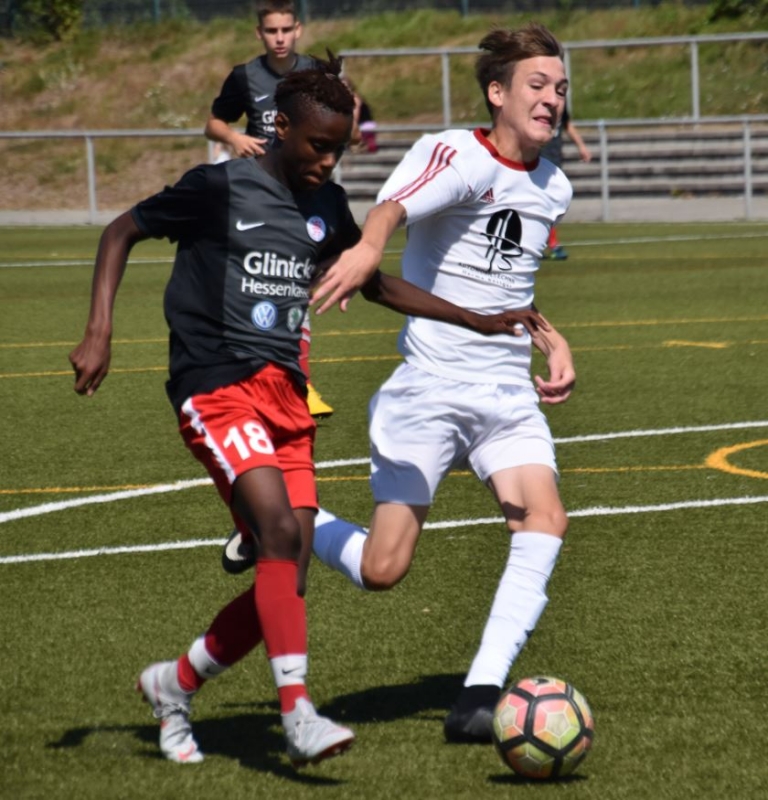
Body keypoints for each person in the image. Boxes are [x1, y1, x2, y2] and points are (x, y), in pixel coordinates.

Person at [69, 53, 549, 767]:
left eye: (340, 149)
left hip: (286, 395)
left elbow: (376, 283)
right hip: (215, 382)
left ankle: (175, 684)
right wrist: (99, 329)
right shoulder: (218, 187)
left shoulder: (326, 206)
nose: (329, 161)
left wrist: (477, 320)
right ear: (281, 128)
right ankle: (298, 712)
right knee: (274, 532)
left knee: (285, 573)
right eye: (319, 146)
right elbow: (121, 231)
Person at [307, 22, 577, 745]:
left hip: (505, 392)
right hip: (430, 386)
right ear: (497, 93)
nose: (552, 99)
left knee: (544, 520)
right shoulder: (457, 153)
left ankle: (480, 695)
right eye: (537, 85)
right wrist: (367, 250)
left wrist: (553, 342)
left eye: (559, 87)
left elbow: (513, 287)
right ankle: (287, 522)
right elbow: (391, 209)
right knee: (382, 568)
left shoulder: (554, 186)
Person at [204, 0, 333, 418]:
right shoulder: (244, 76)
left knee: (297, 284)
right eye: (271, 31)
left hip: (305, 195)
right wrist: (234, 139)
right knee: (264, 283)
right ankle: (266, 379)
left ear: (298, 29)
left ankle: (298, 383)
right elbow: (214, 124)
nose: (279, 38)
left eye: (285, 30)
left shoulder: (315, 71)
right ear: (259, 33)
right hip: (258, 193)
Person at [540, 103, 592, 260]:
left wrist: (581, 146)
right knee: (545, 203)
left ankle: (545, 244)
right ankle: (551, 245)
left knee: (550, 204)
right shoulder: (539, 104)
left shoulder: (560, 105)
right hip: (539, 160)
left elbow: (567, 124)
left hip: (555, 162)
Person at [342, 76, 378, 154]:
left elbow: (355, 117)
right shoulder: (347, 99)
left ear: (350, 87)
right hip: (361, 125)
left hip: (365, 125)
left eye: (346, 86)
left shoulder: (355, 98)